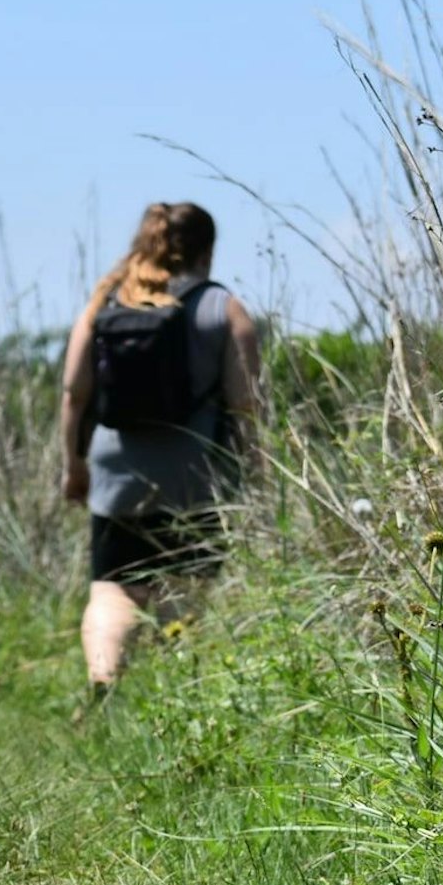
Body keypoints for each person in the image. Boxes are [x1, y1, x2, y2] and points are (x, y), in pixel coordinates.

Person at [60, 200, 260, 696]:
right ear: (207, 250)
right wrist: (254, 471)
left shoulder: (108, 300)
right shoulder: (223, 307)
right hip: (193, 475)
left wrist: (73, 464)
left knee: (112, 591)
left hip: (115, 474)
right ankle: (175, 696)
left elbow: (74, 392)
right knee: (183, 594)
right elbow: (244, 405)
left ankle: (103, 676)